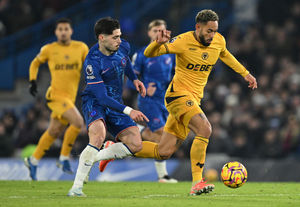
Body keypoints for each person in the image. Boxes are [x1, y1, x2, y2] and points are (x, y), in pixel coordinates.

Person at [96, 9, 258, 195]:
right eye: (208, 31)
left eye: (214, 30)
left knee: (163, 151)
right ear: (198, 27)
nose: (212, 35)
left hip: (193, 99)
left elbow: (225, 54)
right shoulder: (182, 41)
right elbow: (149, 53)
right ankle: (197, 182)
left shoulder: (219, 40)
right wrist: (157, 43)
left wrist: (246, 74)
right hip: (178, 96)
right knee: (205, 128)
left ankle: (114, 149)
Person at [67, 17, 148, 197]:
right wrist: (129, 110)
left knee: (136, 145)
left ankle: (96, 156)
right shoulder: (92, 61)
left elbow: (125, 61)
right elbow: (102, 97)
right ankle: (76, 188)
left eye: (120, 36)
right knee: (98, 135)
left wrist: (134, 78)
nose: (120, 41)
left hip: (116, 101)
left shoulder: (122, 46)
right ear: (101, 38)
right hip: (95, 101)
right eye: (115, 37)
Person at [24, 18, 89, 180]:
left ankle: (33, 160)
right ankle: (64, 158)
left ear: (71, 31)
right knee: (78, 122)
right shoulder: (49, 49)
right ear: (55, 32)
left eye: (66, 29)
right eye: (60, 29)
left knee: (53, 131)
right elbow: (34, 63)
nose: (63, 32)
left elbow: (90, 66)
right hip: (55, 95)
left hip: (69, 98)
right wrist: (32, 81)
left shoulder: (81, 48)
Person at [122, 19, 177, 183]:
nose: (158, 34)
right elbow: (131, 80)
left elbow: (175, 75)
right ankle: (163, 176)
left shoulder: (170, 53)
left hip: (165, 101)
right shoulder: (141, 54)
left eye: (162, 31)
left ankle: (135, 132)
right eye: (155, 31)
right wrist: (145, 86)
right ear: (149, 33)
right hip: (149, 101)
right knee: (163, 135)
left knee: (157, 139)